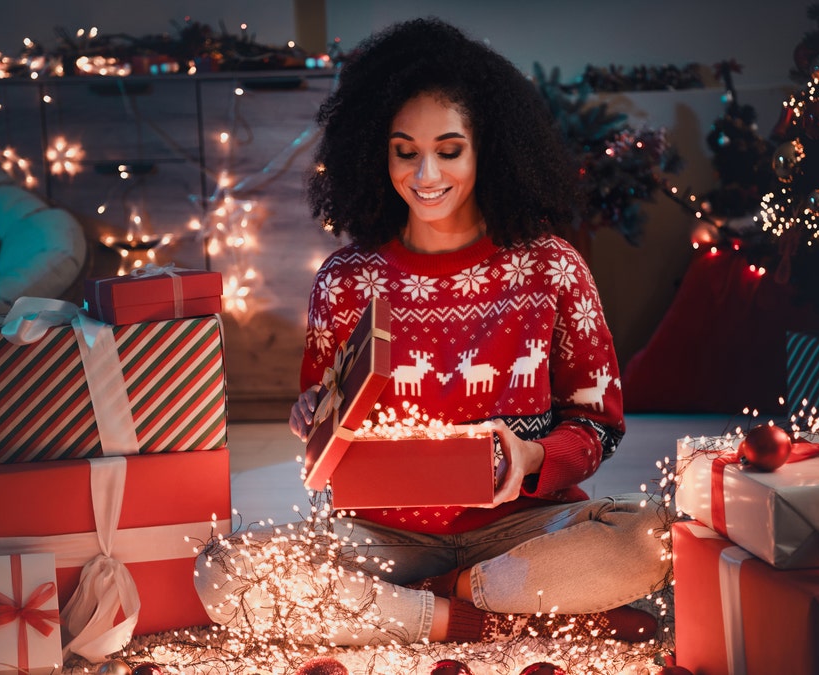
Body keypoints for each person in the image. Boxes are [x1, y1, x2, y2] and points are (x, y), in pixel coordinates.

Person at [196, 16, 667, 646]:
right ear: (375, 151)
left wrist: (531, 458)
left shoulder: (552, 267)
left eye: (448, 150)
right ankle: (484, 616)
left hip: (522, 528)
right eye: (405, 151)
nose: (425, 175)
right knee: (223, 573)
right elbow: (321, 420)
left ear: (488, 150)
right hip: (383, 537)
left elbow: (596, 425)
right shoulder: (345, 279)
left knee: (648, 539)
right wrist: (311, 416)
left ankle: (429, 604)